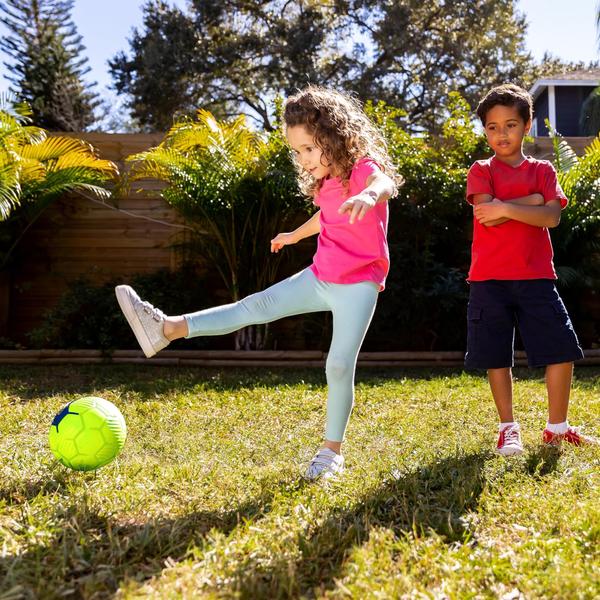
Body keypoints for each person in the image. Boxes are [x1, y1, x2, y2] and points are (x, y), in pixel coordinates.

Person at [115, 86, 402, 479]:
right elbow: (327, 218)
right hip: (320, 277)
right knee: (253, 306)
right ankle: (166, 328)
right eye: (296, 152)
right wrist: (294, 236)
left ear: (334, 137)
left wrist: (368, 196)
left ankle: (331, 452)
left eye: (308, 149)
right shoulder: (326, 184)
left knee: (338, 365)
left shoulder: (362, 170)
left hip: (359, 285)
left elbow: (384, 184)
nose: (302, 160)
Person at [465, 83, 596, 456]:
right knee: (495, 355)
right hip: (489, 279)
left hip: (537, 277)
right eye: (492, 127)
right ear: (485, 130)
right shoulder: (481, 170)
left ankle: (557, 428)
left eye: (510, 124)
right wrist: (530, 204)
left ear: (526, 125)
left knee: (561, 349)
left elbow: (552, 216)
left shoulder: (543, 169)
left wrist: (508, 207)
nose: (501, 133)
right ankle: (508, 429)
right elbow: (485, 214)